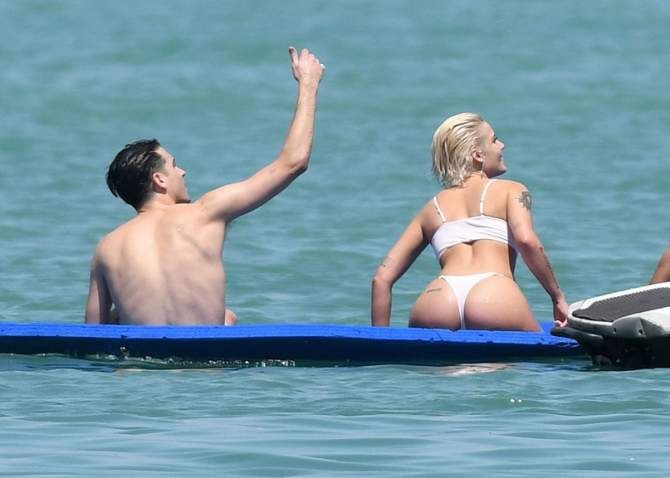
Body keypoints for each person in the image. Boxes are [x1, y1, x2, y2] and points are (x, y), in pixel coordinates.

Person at [85, 47, 325, 325]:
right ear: (159, 180)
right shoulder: (206, 212)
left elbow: (93, 334)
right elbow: (293, 163)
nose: (183, 172)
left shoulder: (108, 247)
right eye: (174, 165)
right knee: (227, 319)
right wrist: (309, 83)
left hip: (140, 354)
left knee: (125, 319)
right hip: (205, 352)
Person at [371, 112, 569, 331]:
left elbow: (381, 279)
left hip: (439, 297)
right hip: (495, 295)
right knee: (542, 348)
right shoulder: (512, 190)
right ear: (478, 155)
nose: (502, 145)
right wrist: (557, 297)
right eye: (494, 140)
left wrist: (380, 341)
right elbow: (526, 240)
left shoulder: (431, 209)